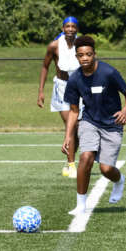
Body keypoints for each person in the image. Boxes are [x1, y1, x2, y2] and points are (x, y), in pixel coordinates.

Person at [62, 36, 126, 215]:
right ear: (76, 57)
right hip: (89, 121)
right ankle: (81, 205)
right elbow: (73, 111)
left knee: (106, 169)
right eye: (80, 55)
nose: (84, 58)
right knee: (85, 157)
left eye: (88, 54)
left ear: (94, 54)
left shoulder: (108, 72)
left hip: (112, 124)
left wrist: (125, 111)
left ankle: (119, 180)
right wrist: (68, 137)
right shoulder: (74, 79)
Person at [38, 16, 81, 178]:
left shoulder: (81, 45)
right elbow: (44, 67)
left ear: (76, 29)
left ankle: (70, 160)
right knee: (71, 123)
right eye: (67, 26)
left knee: (76, 128)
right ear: (63, 28)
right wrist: (41, 91)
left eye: (73, 26)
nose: (70, 29)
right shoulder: (54, 46)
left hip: (79, 87)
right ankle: (72, 166)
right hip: (62, 88)